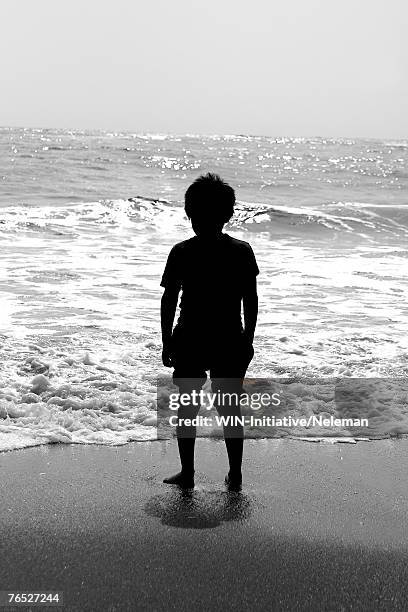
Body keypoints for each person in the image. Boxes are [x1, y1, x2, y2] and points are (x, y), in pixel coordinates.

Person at [160, 173, 259, 491]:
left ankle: (187, 473)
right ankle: (235, 474)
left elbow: (169, 299)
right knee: (230, 406)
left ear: (190, 214)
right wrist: (248, 340)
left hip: (190, 337)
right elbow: (250, 299)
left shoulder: (182, 251)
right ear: (228, 214)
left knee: (187, 405)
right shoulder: (241, 251)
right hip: (230, 337)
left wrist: (166, 341)